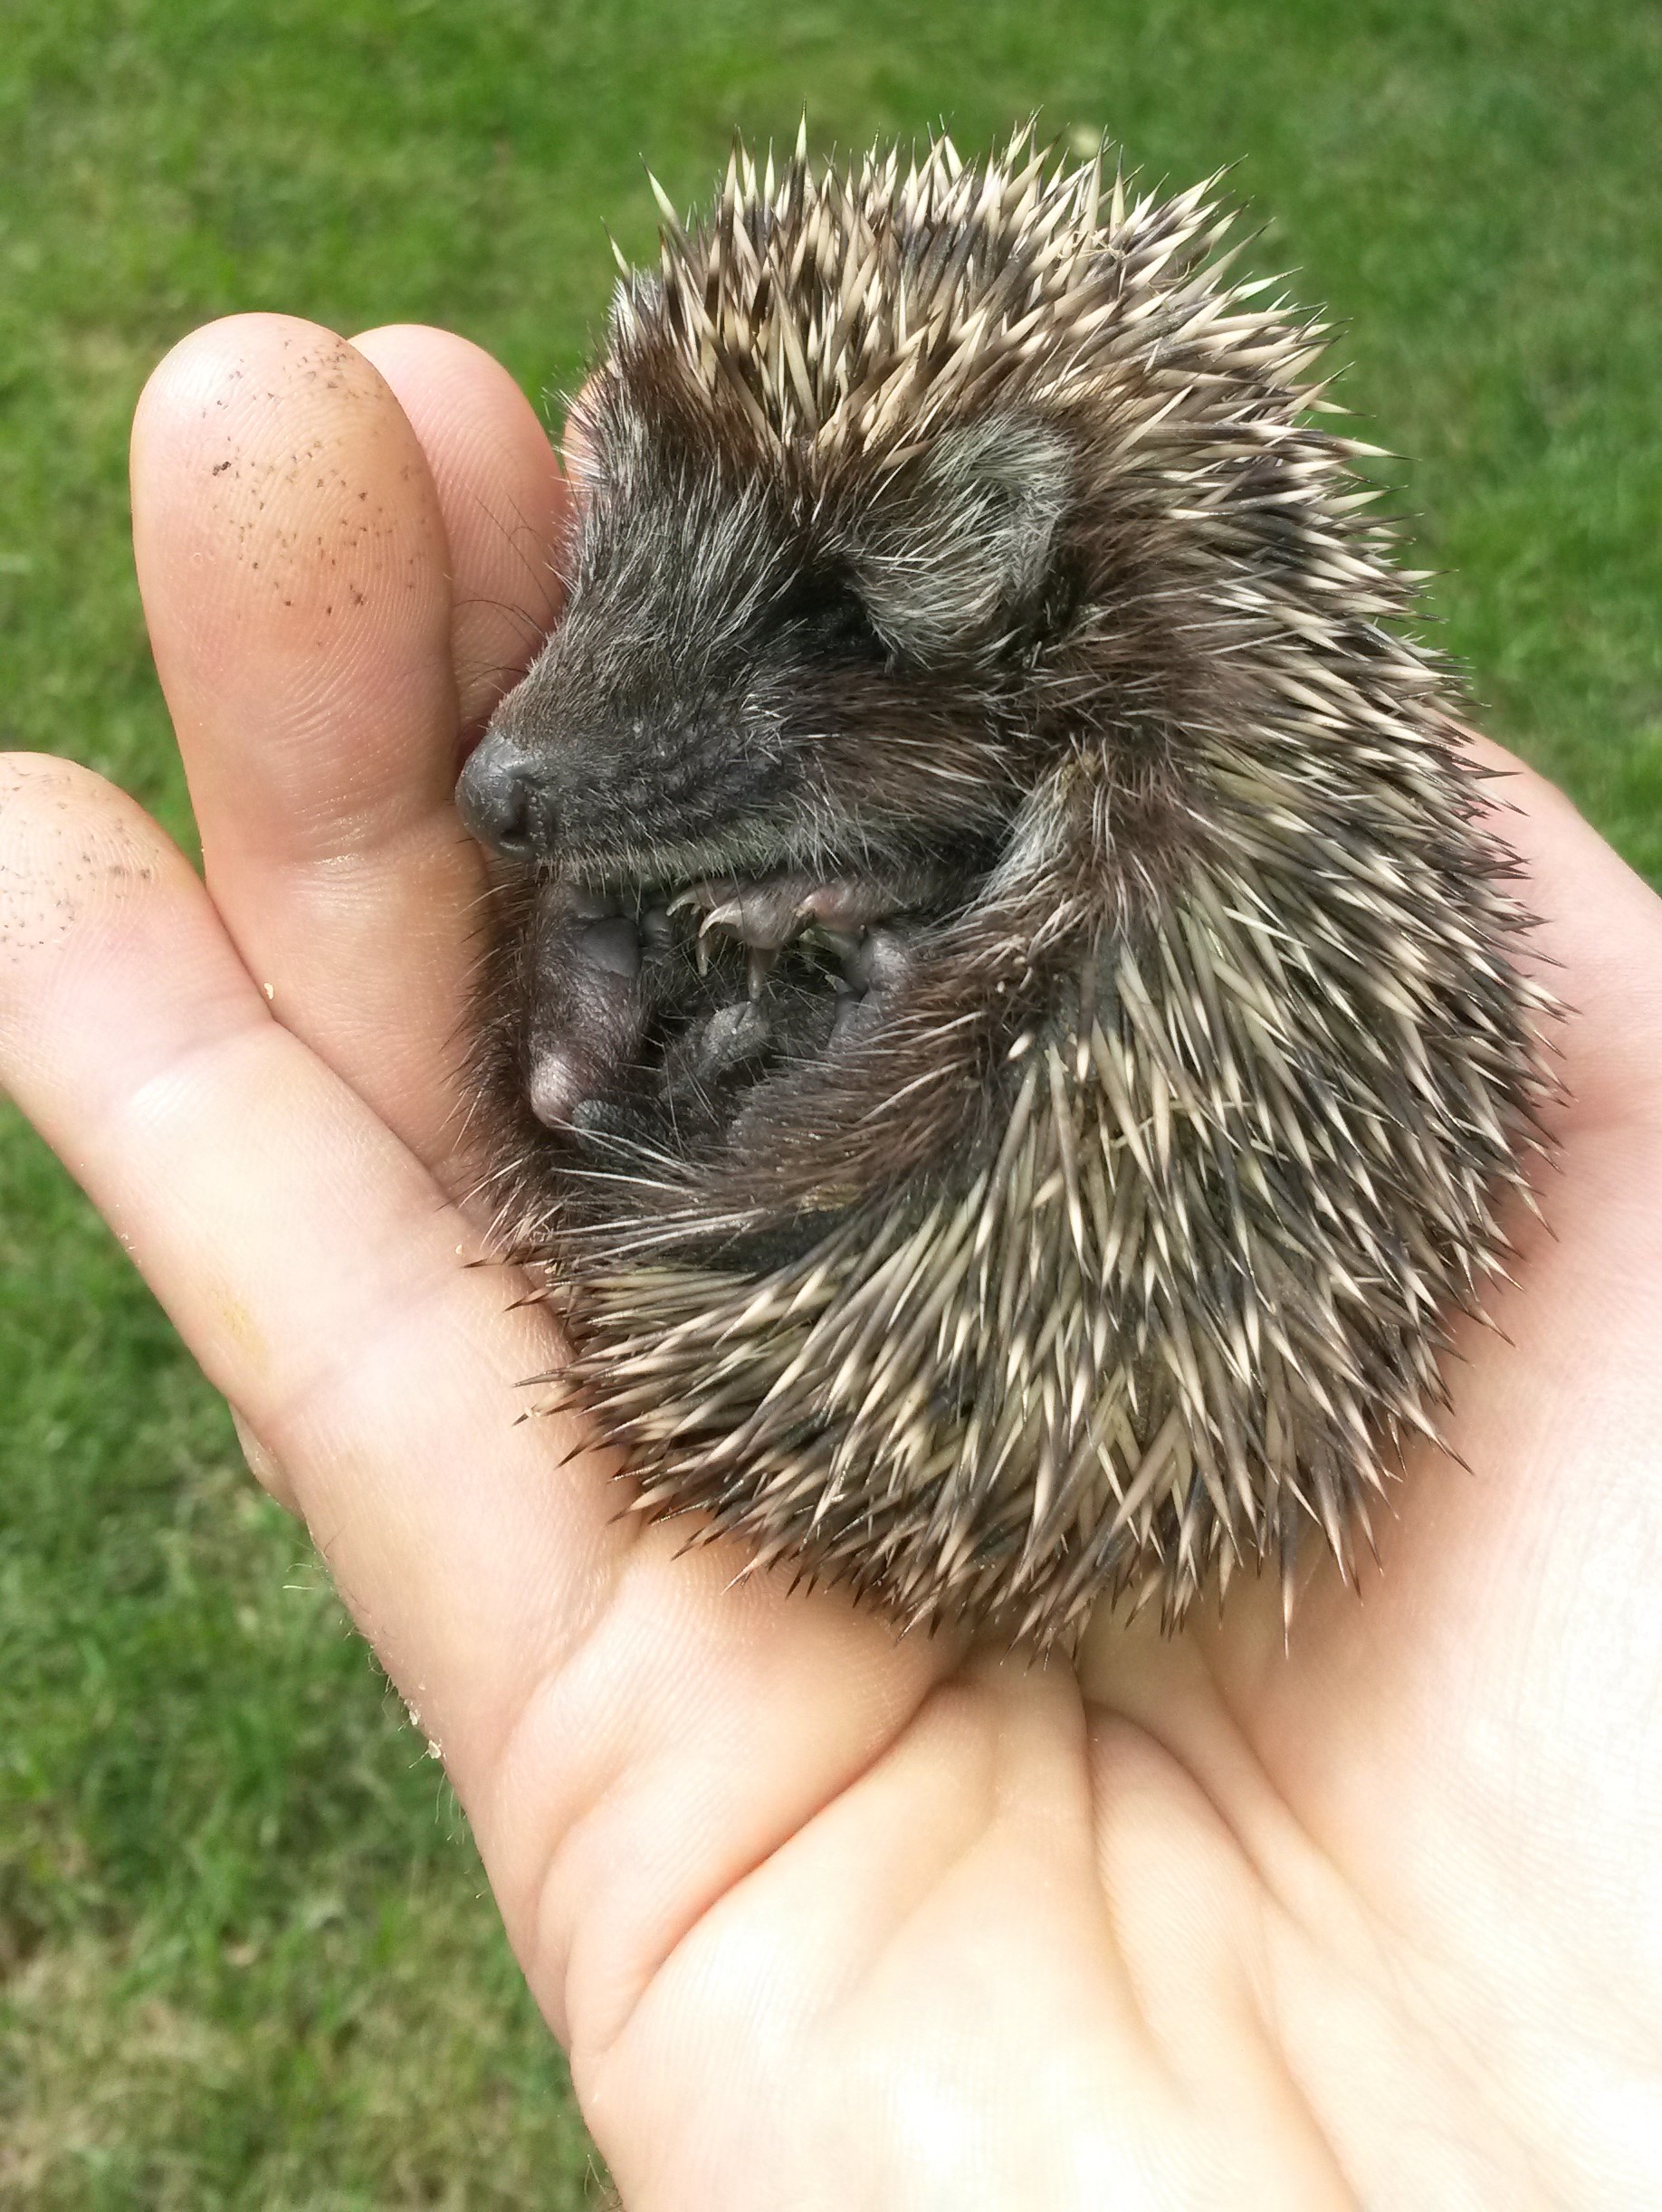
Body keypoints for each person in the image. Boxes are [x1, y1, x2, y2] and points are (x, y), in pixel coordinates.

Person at [3, 310, 1659, 2210]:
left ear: (990, 587)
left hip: (906, 1203)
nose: (520, 762)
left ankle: (723, 1045)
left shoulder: (1176, 772)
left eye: (760, 667)